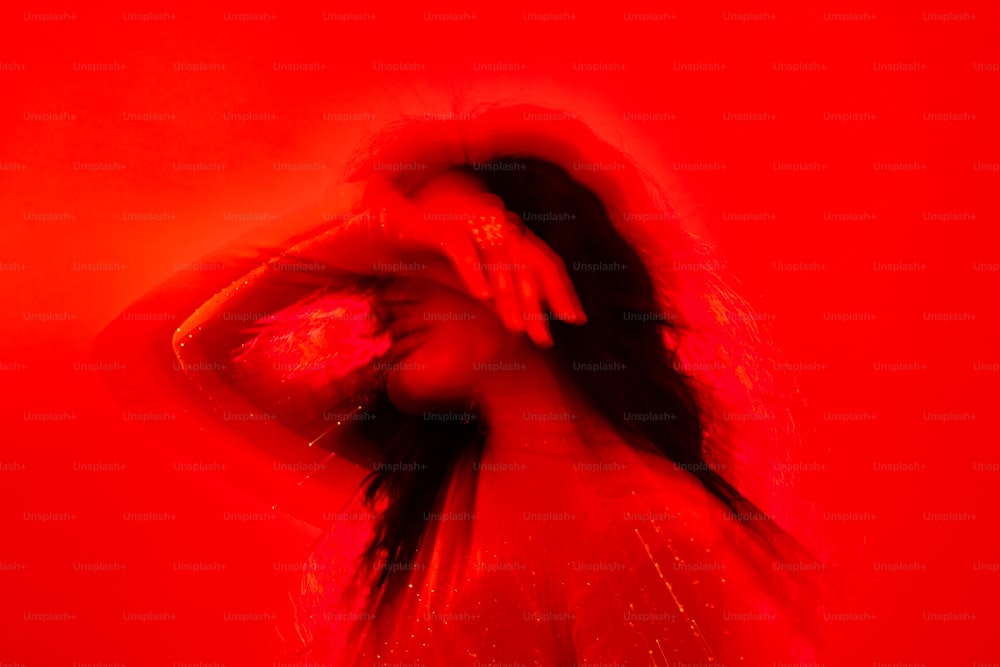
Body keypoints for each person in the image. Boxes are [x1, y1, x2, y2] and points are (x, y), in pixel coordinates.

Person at [164, 104, 824, 663]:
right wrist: (383, 230)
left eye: (427, 262)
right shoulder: (442, 482)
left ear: (531, 268)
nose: (390, 295)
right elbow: (189, 351)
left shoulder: (643, 536)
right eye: (389, 269)